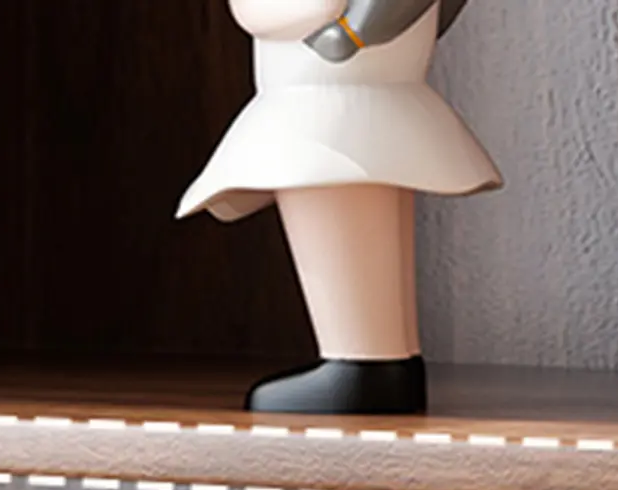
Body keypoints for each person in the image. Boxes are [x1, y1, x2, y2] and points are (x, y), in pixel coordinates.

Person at [178, 0, 502, 415]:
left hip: (326, 98)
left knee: (330, 189)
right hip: (340, 88)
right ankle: (381, 363)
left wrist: (353, 31)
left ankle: (361, 366)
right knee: (356, 203)